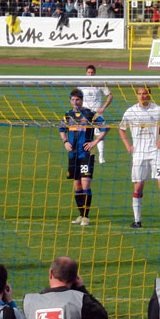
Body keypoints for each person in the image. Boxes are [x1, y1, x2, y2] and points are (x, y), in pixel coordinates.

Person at [119, 85, 160, 229]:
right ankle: (137, 220)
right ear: (136, 95)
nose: (142, 96)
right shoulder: (130, 112)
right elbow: (121, 129)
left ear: (149, 95)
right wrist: (128, 147)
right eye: (140, 94)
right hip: (139, 154)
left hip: (156, 152)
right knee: (138, 186)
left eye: (145, 94)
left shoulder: (158, 110)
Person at [59, 89, 108, 227]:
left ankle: (86, 217)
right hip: (73, 156)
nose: (75, 102)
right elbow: (62, 129)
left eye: (78, 100)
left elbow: (105, 127)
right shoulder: (68, 115)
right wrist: (65, 142)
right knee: (77, 185)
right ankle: (80, 215)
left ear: (82, 100)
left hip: (86, 155)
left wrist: (94, 142)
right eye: (73, 100)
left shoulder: (89, 114)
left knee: (86, 184)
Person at [79, 64, 113, 164]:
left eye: (92, 73)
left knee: (100, 133)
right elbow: (77, 98)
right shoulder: (81, 84)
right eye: (89, 72)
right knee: (86, 135)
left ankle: (101, 156)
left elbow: (110, 96)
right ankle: (90, 155)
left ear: (95, 73)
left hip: (97, 114)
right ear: (86, 73)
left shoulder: (100, 83)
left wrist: (103, 107)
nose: (90, 74)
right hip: (84, 114)